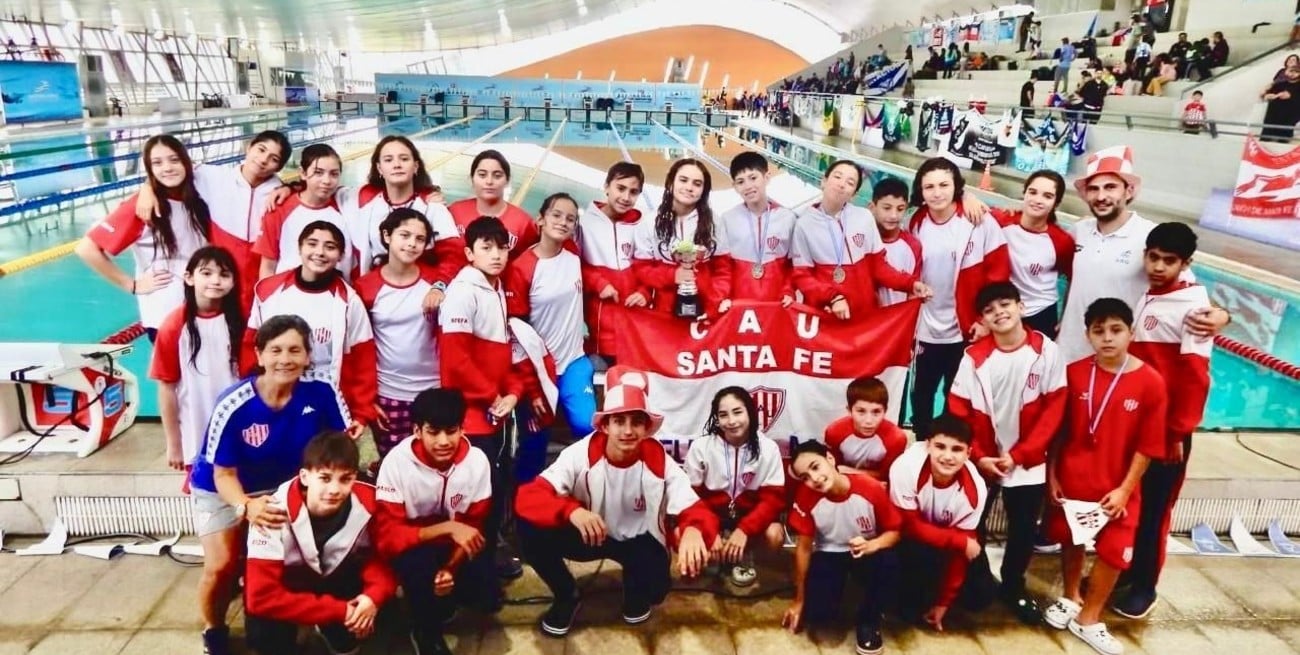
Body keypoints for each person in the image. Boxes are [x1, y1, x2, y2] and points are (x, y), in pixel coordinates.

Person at [188, 315, 353, 655]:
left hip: (289, 484)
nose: (285, 359)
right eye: (275, 350)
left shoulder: (321, 391)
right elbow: (223, 475)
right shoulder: (234, 403)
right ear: (259, 355)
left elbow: (338, 450)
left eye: (295, 350)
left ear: (308, 356)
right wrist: (247, 507)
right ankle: (213, 627)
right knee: (224, 565)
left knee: (323, 549)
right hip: (226, 488)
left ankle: (323, 615)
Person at [514, 367, 716, 637]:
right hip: (591, 533)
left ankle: (634, 588)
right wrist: (571, 511)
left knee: (655, 592)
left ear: (646, 428)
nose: (628, 430)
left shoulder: (658, 460)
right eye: (619, 421)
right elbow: (527, 497)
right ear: (605, 425)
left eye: (636, 421)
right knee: (530, 528)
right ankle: (566, 594)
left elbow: (697, 510)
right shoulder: (580, 454)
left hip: (639, 540)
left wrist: (693, 529)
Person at [1042, 298, 1167, 655]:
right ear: (1088, 335)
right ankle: (1070, 597)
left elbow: (1148, 446)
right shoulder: (1075, 372)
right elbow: (1059, 432)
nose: (1107, 338)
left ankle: (1090, 618)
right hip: (1073, 475)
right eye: (1099, 331)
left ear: (1131, 332)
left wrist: (1126, 490)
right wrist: (1052, 476)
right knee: (1071, 538)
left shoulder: (1150, 383)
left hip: (1118, 484)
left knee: (1115, 552)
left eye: (1116, 330)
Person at [947, 282, 1067, 625]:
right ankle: (978, 578)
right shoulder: (974, 357)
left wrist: (1022, 454)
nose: (999, 312)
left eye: (1005, 304)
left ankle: (1014, 585)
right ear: (982, 319)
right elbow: (959, 407)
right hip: (982, 459)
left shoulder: (1046, 351)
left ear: (1021, 306)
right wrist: (979, 455)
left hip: (1027, 461)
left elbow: (1055, 407)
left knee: (1024, 529)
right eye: (989, 309)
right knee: (973, 522)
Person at [1111, 223, 1212, 620]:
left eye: (1168, 261)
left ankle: (1146, 587)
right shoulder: (1154, 295)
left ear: (1185, 264)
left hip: (1168, 433)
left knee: (1154, 510)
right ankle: (1126, 571)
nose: (1157, 266)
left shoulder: (1194, 308)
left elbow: (1195, 377)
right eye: (1153, 257)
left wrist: (1178, 432)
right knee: (1133, 503)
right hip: (1139, 424)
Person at [1057, 147, 1231, 364]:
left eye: (1110, 187)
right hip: (1068, 351)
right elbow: (1074, 281)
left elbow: (1187, 288)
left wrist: (1222, 314)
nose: (1101, 196)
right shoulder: (1079, 230)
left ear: (1128, 191)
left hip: (1114, 358)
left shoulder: (1150, 237)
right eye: (1094, 189)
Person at [439, 215, 536, 583]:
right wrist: (493, 394)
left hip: (492, 410)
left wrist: (512, 393)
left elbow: (503, 356)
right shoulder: (463, 291)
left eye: (502, 247)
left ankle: (485, 558)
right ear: (469, 253)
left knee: (494, 488)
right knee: (477, 494)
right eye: (486, 247)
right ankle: (470, 566)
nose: (496, 254)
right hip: (470, 413)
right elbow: (455, 362)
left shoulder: (494, 289)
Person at [243, 431, 396, 655]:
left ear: (355, 476)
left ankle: (334, 630)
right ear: (305, 476)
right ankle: (308, 625)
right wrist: (339, 611)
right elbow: (261, 597)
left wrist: (372, 597)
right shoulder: (270, 511)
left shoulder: (372, 501)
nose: (334, 489)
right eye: (325, 478)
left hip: (337, 579)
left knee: (375, 621)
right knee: (265, 635)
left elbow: (387, 556)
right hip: (288, 585)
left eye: (345, 478)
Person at [374, 388, 494, 653]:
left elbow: (474, 526)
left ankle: (443, 598)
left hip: (451, 546)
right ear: (417, 430)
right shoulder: (395, 463)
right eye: (433, 431)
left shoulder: (477, 462)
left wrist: (450, 568)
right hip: (413, 545)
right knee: (420, 570)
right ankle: (425, 632)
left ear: (462, 429)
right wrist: (449, 528)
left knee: (487, 598)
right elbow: (387, 538)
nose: (443, 441)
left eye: (451, 431)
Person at [907, 157, 1010, 438]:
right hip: (926, 326)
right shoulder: (915, 222)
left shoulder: (978, 220)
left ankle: (949, 444)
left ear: (956, 187)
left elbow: (998, 274)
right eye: (929, 186)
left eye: (944, 185)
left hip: (965, 328)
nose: (937, 192)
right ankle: (921, 442)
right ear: (921, 190)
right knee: (922, 392)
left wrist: (984, 320)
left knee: (958, 393)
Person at [135, 130, 291, 312]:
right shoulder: (212, 176)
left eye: (273, 158)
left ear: (279, 167)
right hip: (218, 279)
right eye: (261, 149)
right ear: (248, 147)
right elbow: (172, 170)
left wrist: (290, 187)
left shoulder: (280, 193)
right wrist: (147, 188)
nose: (263, 159)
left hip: (260, 278)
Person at [76, 134, 210, 340]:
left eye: (174, 159)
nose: (167, 168)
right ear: (150, 169)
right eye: (157, 163)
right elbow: (86, 248)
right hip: (166, 312)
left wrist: (147, 186)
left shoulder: (198, 194)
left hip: (202, 305)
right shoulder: (140, 207)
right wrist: (131, 284)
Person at [244, 221, 378, 426]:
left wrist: (362, 413)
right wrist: (253, 396)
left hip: (323, 406)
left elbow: (363, 361)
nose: (320, 252)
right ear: (300, 248)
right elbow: (250, 347)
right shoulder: (268, 290)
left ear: (341, 256)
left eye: (330, 247)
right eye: (312, 244)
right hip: (273, 399)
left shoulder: (349, 301)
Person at [505, 193, 598, 480]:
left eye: (570, 218)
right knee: (534, 445)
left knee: (588, 427)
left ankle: (590, 494)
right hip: (539, 371)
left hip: (574, 362)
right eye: (556, 215)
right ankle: (524, 513)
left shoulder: (573, 253)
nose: (563, 222)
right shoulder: (521, 268)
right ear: (540, 220)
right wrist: (532, 387)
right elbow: (517, 333)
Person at [784, 440, 900, 655]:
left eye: (815, 467)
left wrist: (873, 544)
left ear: (830, 459)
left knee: (890, 562)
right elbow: (804, 548)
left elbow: (895, 532)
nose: (814, 479)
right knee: (819, 617)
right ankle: (839, 592)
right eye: (805, 477)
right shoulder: (806, 497)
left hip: (867, 551)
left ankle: (869, 620)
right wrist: (799, 598)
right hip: (830, 552)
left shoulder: (870, 488)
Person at [791, 160, 930, 322]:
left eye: (850, 183)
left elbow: (879, 267)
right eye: (837, 177)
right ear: (823, 181)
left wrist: (911, 284)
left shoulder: (863, 218)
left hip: (863, 317)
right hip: (826, 314)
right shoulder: (803, 224)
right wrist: (832, 297)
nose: (842, 184)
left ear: (854, 194)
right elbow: (802, 277)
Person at [354, 208, 440, 463]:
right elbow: (358, 350)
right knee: (391, 467)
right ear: (387, 235)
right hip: (388, 393)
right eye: (405, 235)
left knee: (431, 464)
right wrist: (366, 401)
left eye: (420, 239)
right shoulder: (366, 287)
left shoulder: (437, 282)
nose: (412, 244)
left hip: (432, 389)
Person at [150, 247, 243, 481]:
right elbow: (166, 388)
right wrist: (174, 443)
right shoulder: (173, 326)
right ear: (189, 277)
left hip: (238, 425)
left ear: (233, 281)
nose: (216, 280)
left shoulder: (241, 322)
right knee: (206, 501)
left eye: (224, 274)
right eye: (207, 273)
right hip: (196, 427)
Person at [889, 414, 988, 632]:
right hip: (908, 536)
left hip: (945, 537)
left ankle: (937, 590)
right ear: (927, 446)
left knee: (980, 596)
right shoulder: (905, 467)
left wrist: (944, 602)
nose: (947, 456)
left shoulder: (976, 490)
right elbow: (908, 526)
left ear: (969, 453)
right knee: (908, 610)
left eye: (957, 449)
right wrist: (960, 542)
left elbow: (963, 550)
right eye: (940, 447)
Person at [684, 386, 787, 587]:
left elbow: (773, 500)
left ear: (750, 411)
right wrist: (709, 530)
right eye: (723, 415)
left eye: (738, 412)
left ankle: (744, 553)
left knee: (774, 535)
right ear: (717, 419)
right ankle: (719, 548)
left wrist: (744, 531)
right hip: (713, 516)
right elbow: (691, 497)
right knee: (683, 533)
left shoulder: (768, 448)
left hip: (749, 519)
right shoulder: (701, 447)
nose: (731, 421)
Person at [344, 135, 452, 280]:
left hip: (423, 287)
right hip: (376, 287)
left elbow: (452, 254)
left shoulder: (432, 206)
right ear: (379, 168)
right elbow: (326, 190)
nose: (397, 165)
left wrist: (439, 286)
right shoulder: (364, 201)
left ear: (415, 166)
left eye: (404, 159)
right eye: (388, 160)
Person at [576, 162, 649, 364]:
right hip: (599, 328)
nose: (626, 197)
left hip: (635, 328)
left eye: (633, 192)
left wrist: (644, 292)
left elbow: (650, 268)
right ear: (606, 186)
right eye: (620, 188)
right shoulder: (584, 224)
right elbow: (573, 265)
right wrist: (598, 283)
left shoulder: (642, 226)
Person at [633, 158, 723, 317]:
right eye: (683, 180)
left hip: (706, 314)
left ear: (704, 190)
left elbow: (724, 270)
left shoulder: (714, 223)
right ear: (671, 183)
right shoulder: (649, 223)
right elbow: (642, 269)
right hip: (664, 315)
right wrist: (672, 275)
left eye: (697, 183)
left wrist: (713, 304)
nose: (689, 187)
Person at [990, 171, 1074, 338]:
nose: (1037, 200)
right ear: (1024, 193)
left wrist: (1065, 317)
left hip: (1040, 312)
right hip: (1003, 310)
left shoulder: (1062, 241)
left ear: (1056, 203)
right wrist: (967, 198)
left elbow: (1072, 279)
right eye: (1032, 192)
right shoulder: (1001, 221)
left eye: (1047, 196)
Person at [254, 143, 352, 279]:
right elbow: (268, 266)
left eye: (334, 174)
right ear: (303, 173)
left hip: (332, 294)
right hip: (287, 294)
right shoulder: (278, 209)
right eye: (318, 173)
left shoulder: (345, 206)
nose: (327, 181)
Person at [715, 152, 797, 309]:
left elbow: (793, 264)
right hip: (738, 305)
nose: (748, 186)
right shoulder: (727, 219)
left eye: (753, 178)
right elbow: (722, 267)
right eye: (740, 181)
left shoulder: (787, 218)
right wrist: (723, 297)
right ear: (734, 186)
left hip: (777, 305)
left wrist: (789, 291)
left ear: (767, 178)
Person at [446, 149, 539, 263]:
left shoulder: (523, 223)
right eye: (482, 175)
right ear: (472, 178)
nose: (489, 181)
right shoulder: (455, 212)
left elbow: (533, 262)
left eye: (497, 175)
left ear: (507, 180)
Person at [822, 376, 907, 481]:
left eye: (876, 412)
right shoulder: (834, 432)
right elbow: (833, 468)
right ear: (849, 410)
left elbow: (889, 476)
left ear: (885, 411)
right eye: (861, 411)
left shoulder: (896, 438)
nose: (869, 421)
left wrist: (850, 471)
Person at [869, 177, 923, 309]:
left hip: (894, 322)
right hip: (864, 321)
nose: (893, 215)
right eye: (887, 208)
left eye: (900, 209)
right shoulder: (862, 240)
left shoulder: (913, 246)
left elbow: (913, 292)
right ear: (872, 207)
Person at [1260, 65, 1300, 143]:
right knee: (1265, 140)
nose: (1293, 74)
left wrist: (1291, 96)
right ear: (1285, 71)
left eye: (1296, 72)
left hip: (1289, 119)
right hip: (1272, 117)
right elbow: (1265, 95)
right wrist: (1266, 96)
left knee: (1283, 142)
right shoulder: (1279, 84)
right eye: (1291, 71)